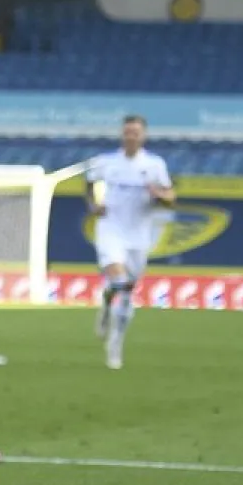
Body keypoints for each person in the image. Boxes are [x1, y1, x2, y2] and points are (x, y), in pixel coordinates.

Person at [84, 115, 175, 370]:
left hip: (139, 236)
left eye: (135, 132)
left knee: (125, 289)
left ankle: (106, 304)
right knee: (122, 283)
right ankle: (114, 346)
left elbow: (170, 196)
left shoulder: (154, 165)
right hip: (110, 229)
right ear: (122, 135)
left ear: (143, 136)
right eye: (127, 132)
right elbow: (89, 184)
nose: (131, 136)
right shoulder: (106, 163)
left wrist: (159, 194)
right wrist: (93, 204)